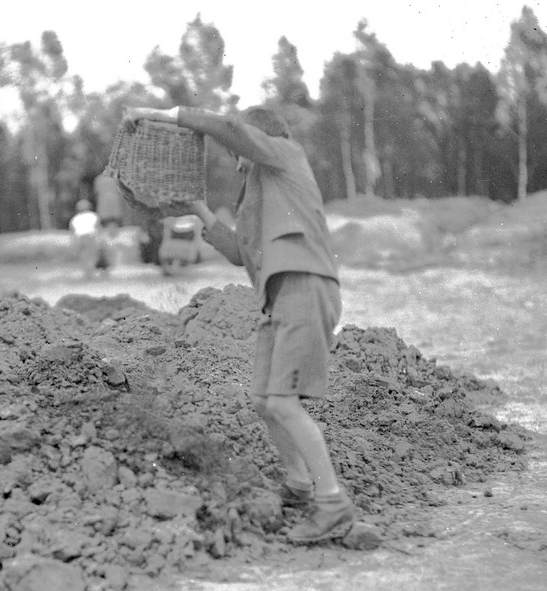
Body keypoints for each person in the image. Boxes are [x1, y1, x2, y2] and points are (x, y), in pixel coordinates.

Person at [122, 104, 355, 544]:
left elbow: (228, 128)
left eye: (241, 150)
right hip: (279, 296)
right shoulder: (259, 193)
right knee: (265, 401)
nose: (236, 159)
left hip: (305, 288)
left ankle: (333, 503)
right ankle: (299, 485)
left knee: (284, 403)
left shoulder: (285, 157)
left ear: (259, 138)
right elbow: (239, 252)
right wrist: (198, 209)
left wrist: (156, 114)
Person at [69, 199, 101, 279]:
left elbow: (72, 231)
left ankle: (86, 272)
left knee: (83, 256)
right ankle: (91, 272)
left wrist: (73, 242)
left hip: (80, 238)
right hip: (90, 237)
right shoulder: (93, 215)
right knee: (92, 256)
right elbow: (98, 228)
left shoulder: (74, 218)